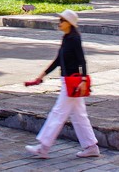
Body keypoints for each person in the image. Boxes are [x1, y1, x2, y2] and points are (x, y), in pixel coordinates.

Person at [25, 9, 100, 159]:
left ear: (69, 23)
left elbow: (82, 61)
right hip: (68, 82)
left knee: (58, 113)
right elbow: (58, 60)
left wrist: (84, 80)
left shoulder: (74, 39)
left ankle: (43, 147)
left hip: (73, 83)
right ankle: (91, 147)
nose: (59, 23)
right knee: (79, 116)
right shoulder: (66, 38)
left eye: (62, 21)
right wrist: (42, 75)